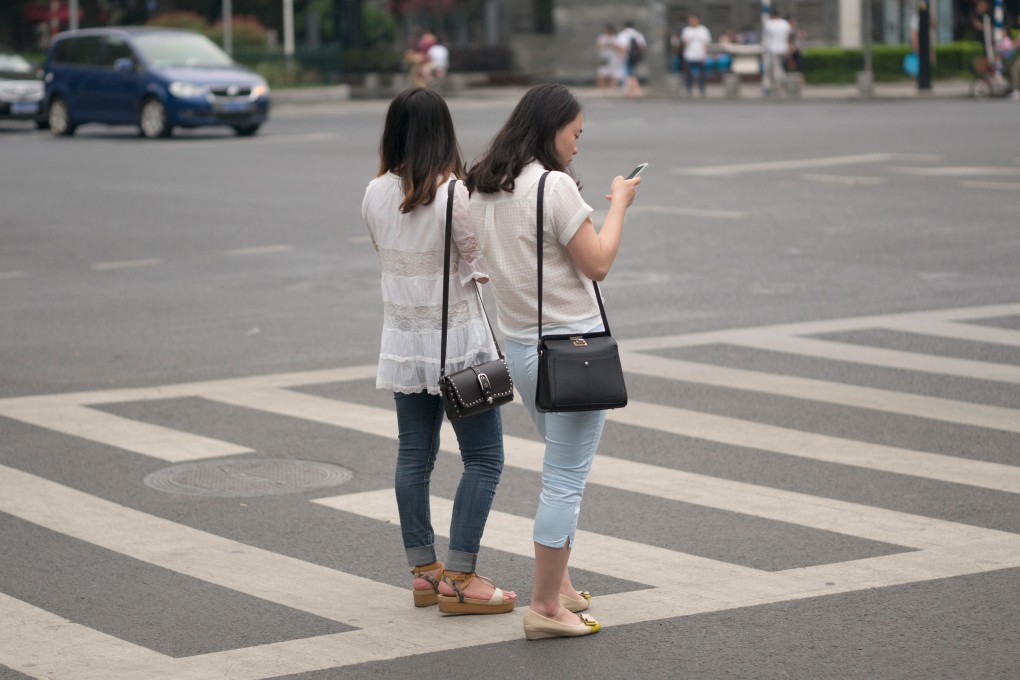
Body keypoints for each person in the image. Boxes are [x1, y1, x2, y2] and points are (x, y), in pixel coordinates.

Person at [465, 84, 641, 640]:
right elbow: (597, 264)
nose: (577, 147)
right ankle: (544, 605)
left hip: (522, 348)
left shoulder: (483, 186)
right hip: (573, 352)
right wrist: (619, 206)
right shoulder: (553, 186)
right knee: (565, 477)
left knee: (565, 465)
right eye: (575, 134)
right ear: (551, 128)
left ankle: (558, 583)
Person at [362, 88, 517, 616]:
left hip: (407, 344)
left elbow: (389, 256)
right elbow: (479, 268)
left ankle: (425, 574)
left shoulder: (373, 193)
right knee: (485, 460)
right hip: (459, 347)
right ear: (443, 132)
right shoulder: (454, 195)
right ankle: (462, 576)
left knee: (413, 458)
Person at [681, 14, 712, 97]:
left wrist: (705, 54)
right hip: (689, 55)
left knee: (702, 74)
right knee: (688, 74)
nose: (692, 22)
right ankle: (689, 89)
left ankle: (701, 89)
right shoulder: (686, 30)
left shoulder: (703, 30)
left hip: (700, 55)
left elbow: (706, 43)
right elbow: (684, 42)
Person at [762, 9, 791, 95]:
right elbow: (788, 37)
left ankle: (781, 83)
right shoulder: (785, 23)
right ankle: (782, 83)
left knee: (776, 68)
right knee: (780, 66)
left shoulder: (769, 24)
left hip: (773, 49)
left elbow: (766, 37)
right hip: (784, 48)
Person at [616, 21, 647, 98]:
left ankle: (636, 91)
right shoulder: (638, 34)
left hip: (627, 56)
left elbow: (621, 47)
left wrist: (621, 57)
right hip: (635, 57)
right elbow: (643, 46)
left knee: (629, 74)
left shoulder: (623, 34)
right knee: (630, 72)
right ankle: (630, 91)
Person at [596, 24, 620, 91]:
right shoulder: (602, 37)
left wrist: (612, 45)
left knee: (613, 74)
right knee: (602, 73)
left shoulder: (615, 37)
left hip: (613, 58)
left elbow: (619, 47)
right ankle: (601, 88)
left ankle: (611, 88)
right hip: (605, 58)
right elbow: (599, 46)